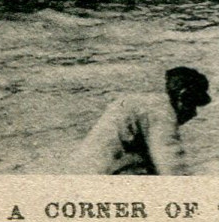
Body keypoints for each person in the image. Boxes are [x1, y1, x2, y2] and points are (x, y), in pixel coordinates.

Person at [69, 66, 211, 175]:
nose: (194, 113)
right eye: (192, 105)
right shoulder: (160, 110)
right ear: (182, 97)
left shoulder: (146, 102)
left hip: (89, 170)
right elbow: (171, 161)